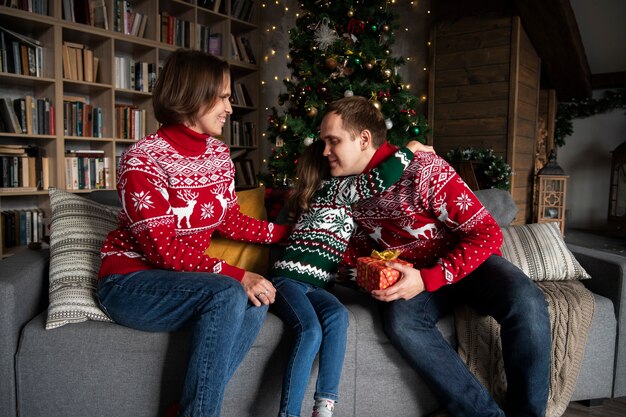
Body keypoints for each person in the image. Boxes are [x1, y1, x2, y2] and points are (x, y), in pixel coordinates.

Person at [319, 96, 551, 417]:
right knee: (401, 321)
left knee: (527, 301)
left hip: (469, 266)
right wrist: (367, 275)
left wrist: (429, 277)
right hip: (411, 279)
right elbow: (349, 255)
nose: (325, 151)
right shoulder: (343, 192)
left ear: (363, 139)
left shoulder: (422, 169)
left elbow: (487, 233)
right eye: (323, 143)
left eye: (333, 141)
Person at [96, 49, 290, 417]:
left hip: (183, 282)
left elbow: (230, 221)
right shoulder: (142, 159)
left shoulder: (218, 154)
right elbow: (162, 251)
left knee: (257, 297)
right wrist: (239, 275)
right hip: (129, 284)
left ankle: (186, 410)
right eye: (224, 96)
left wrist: (289, 234)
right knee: (230, 292)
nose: (230, 108)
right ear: (193, 94)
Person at [270, 138, 421, 417]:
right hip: (288, 280)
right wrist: (410, 148)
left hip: (317, 285)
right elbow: (377, 180)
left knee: (338, 317)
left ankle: (324, 406)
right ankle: (289, 414)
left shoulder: (343, 202)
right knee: (310, 331)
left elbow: (335, 254)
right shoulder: (330, 190)